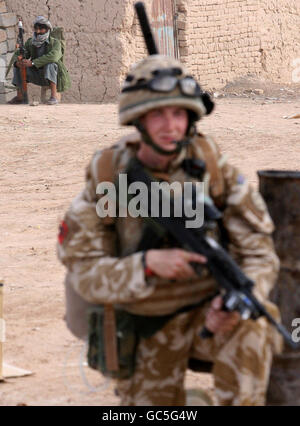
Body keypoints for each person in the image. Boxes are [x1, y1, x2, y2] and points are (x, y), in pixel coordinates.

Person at [57, 54, 282, 406]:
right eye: (158, 114)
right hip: (142, 323)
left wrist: (235, 300)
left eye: (178, 114)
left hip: (209, 315)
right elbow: (83, 270)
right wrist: (146, 264)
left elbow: (259, 249)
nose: (170, 125)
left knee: (255, 321)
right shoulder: (109, 176)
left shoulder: (210, 165)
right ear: (138, 119)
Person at [8, 16, 71, 105]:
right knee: (19, 67)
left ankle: (54, 97)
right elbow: (22, 53)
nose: (38, 32)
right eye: (36, 29)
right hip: (36, 74)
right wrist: (19, 61)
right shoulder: (31, 42)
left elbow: (53, 57)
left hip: (51, 75)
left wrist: (33, 63)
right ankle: (20, 97)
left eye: (41, 29)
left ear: (47, 29)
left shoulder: (55, 42)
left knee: (51, 64)